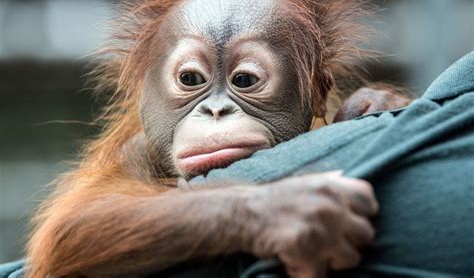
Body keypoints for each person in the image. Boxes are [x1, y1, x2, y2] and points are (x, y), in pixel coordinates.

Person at [1, 53, 473, 278]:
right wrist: (250, 213)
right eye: (190, 80)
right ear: (149, 97)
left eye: (246, 80)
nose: (215, 109)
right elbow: (64, 244)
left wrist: (374, 118)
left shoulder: (328, 125)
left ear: (314, 92)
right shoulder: (143, 154)